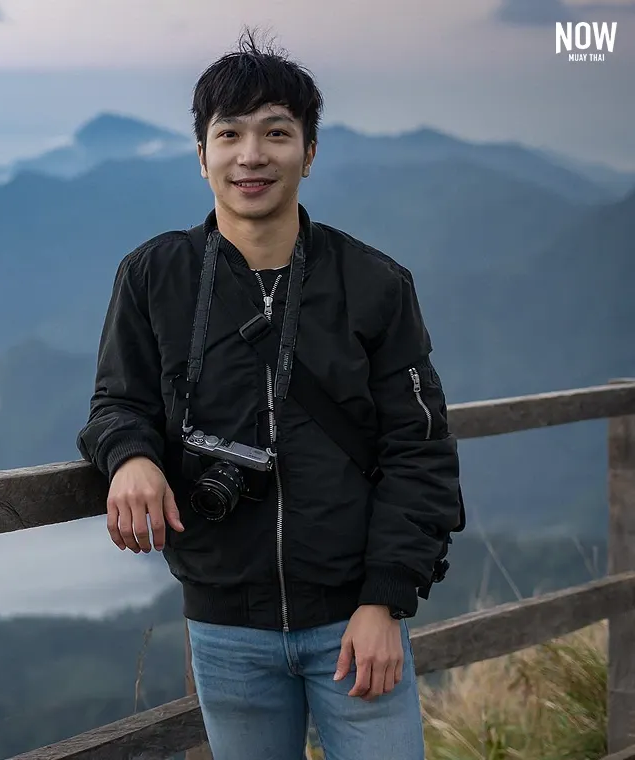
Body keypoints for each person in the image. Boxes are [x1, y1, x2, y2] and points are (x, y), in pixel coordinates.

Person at [74, 28, 464, 760]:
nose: (252, 155)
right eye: (230, 134)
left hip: (357, 624)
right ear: (202, 155)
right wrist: (129, 457)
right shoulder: (155, 277)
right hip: (226, 628)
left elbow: (420, 452)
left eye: (276, 133)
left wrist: (384, 600)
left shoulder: (373, 283)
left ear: (309, 153)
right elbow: (117, 402)